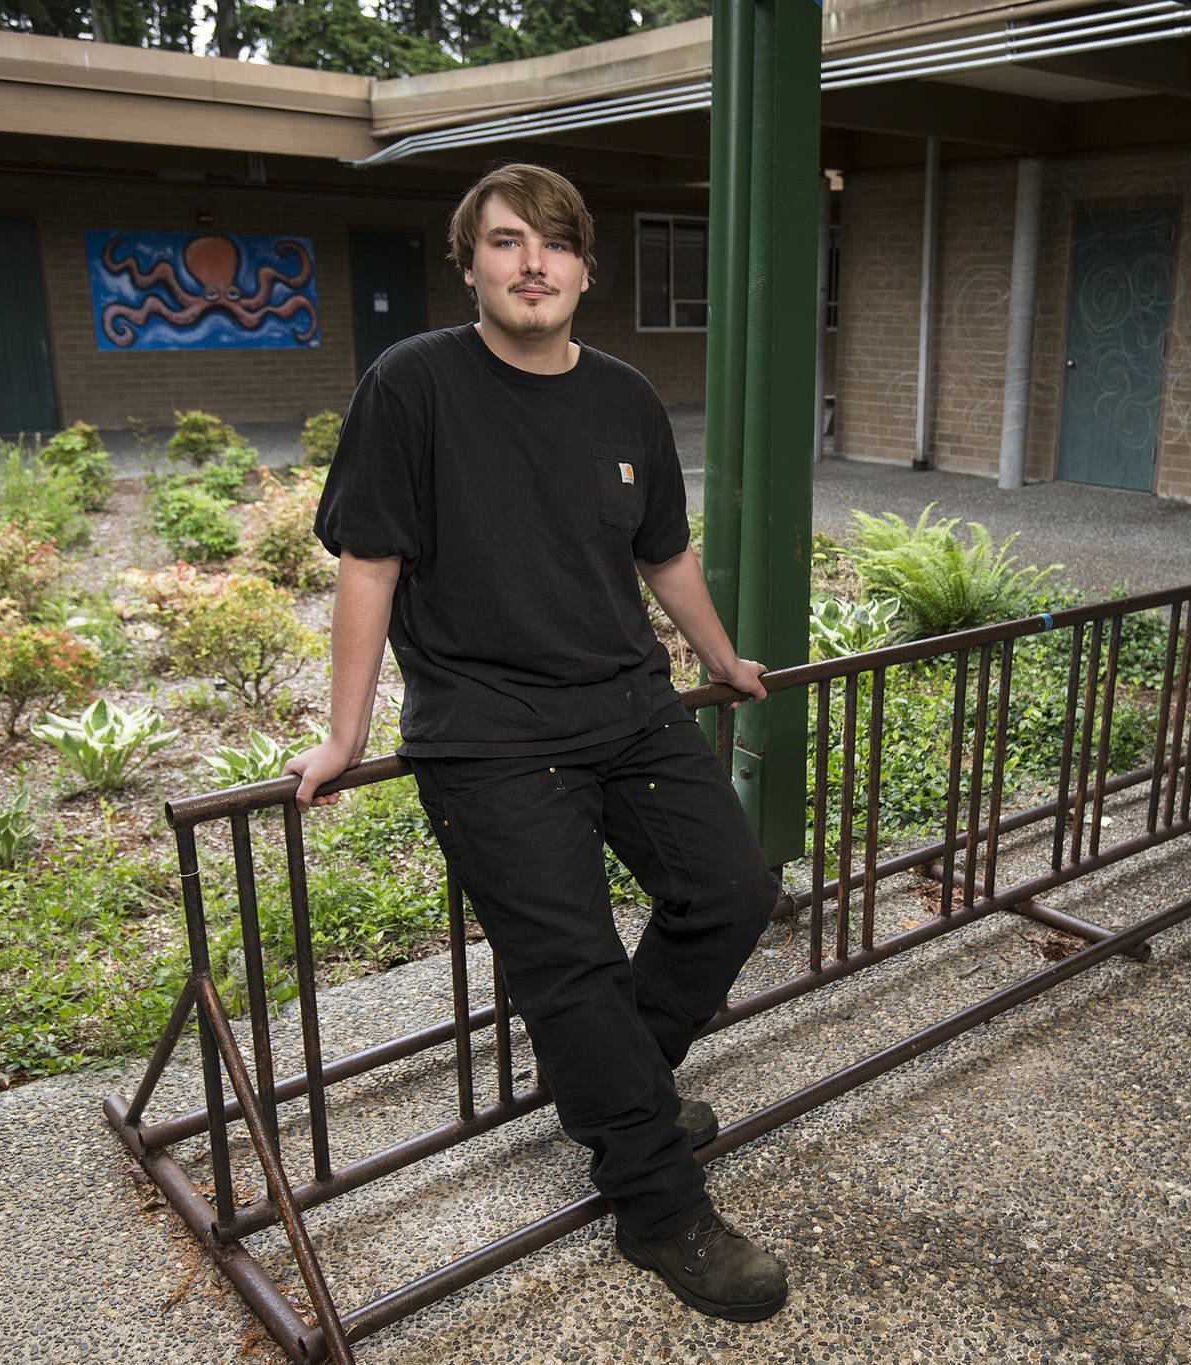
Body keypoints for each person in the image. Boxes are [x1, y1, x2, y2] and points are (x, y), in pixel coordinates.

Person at [283, 163, 789, 1323]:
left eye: (555, 246)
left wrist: (717, 658)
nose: (532, 264)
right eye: (506, 243)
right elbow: (370, 561)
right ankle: (659, 1205)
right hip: (489, 736)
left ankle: (613, 1086)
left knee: (732, 890)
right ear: (470, 265)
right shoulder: (410, 385)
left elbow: (663, 554)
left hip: (626, 706)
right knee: (569, 971)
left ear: (583, 270)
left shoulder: (621, 396)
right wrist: (343, 735)